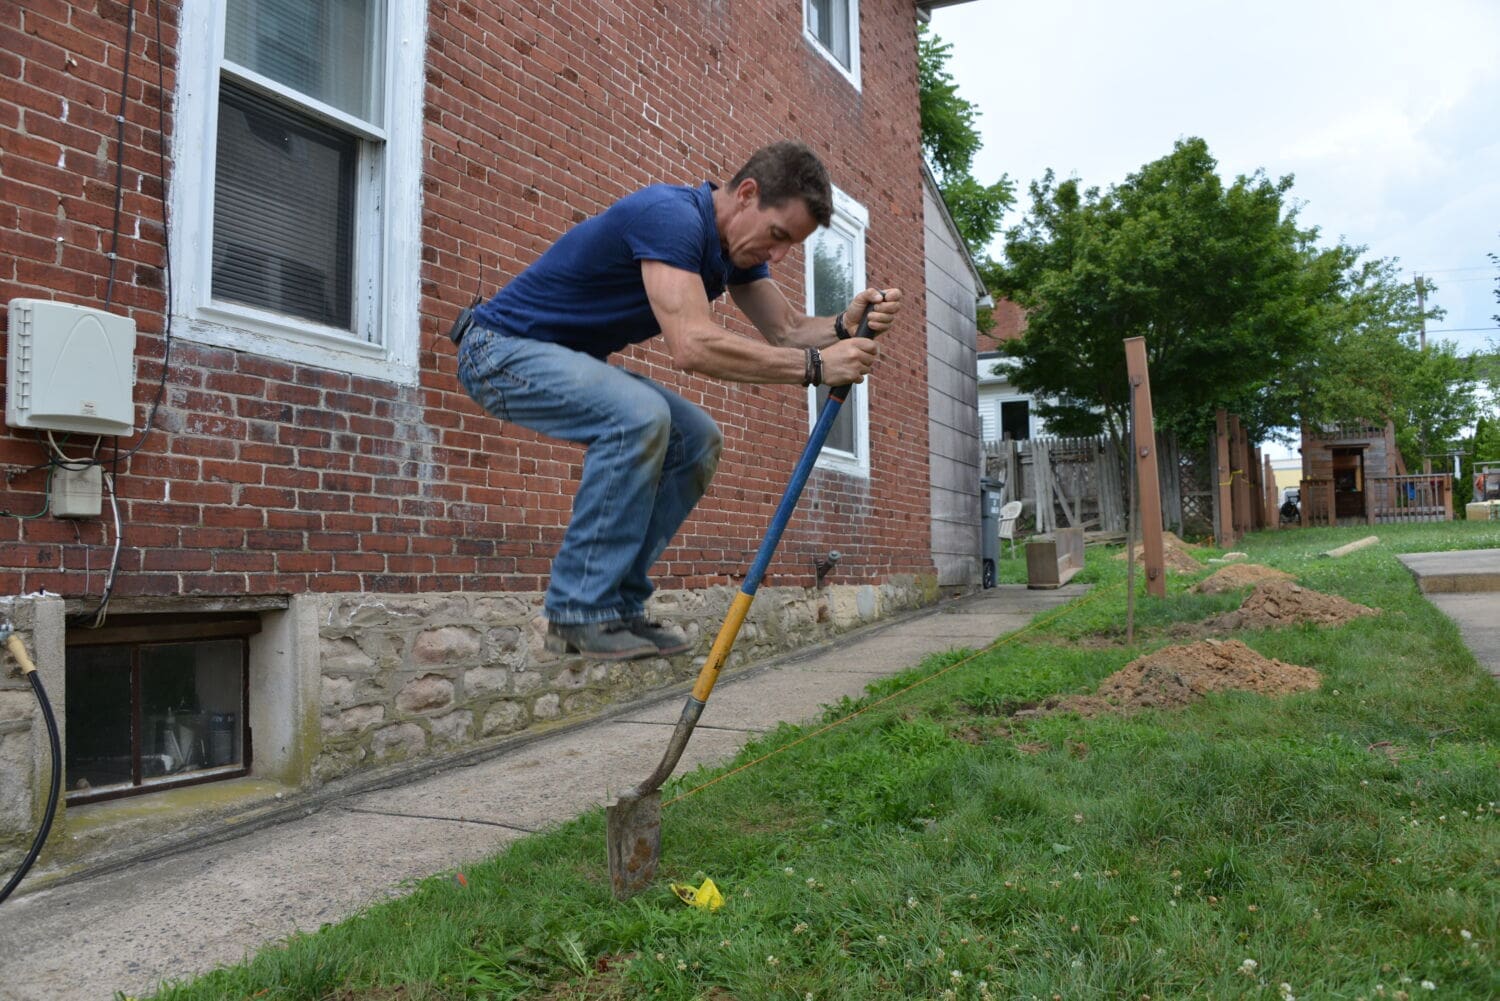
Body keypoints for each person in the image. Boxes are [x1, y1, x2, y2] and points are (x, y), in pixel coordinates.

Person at [454, 140, 903, 660]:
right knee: (639, 416)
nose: (778, 255)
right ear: (747, 194)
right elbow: (691, 345)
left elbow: (787, 329)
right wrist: (820, 368)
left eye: (790, 246)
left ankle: (617, 606)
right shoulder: (670, 217)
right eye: (777, 235)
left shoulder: (730, 249)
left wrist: (845, 324)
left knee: (696, 438)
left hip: (551, 358)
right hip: (498, 351)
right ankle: (577, 612)